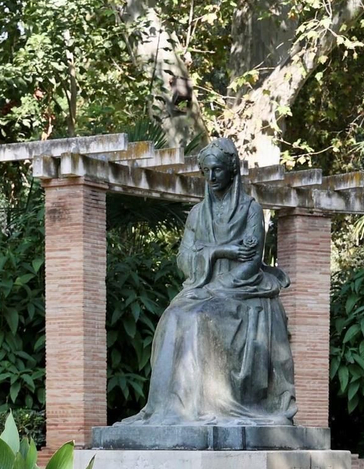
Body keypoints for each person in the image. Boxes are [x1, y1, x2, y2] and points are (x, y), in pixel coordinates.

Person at [119, 138, 297, 425]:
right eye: (206, 171)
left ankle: (211, 405)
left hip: (241, 292)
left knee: (199, 317)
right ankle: (173, 408)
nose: (211, 177)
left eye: (217, 170)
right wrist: (220, 251)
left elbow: (251, 264)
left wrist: (218, 287)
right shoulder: (198, 214)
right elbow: (183, 258)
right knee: (174, 316)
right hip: (203, 288)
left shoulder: (250, 210)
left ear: (232, 170)